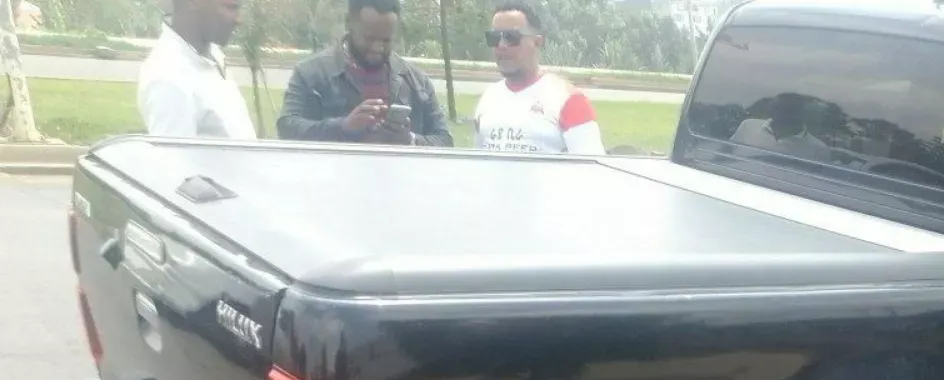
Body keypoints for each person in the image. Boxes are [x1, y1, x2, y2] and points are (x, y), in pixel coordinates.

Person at [277, 0, 452, 147]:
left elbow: (445, 140)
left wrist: (410, 140)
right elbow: (286, 127)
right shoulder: (310, 73)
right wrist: (343, 127)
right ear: (348, 23)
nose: (377, 47)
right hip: (333, 183)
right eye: (369, 38)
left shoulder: (416, 81)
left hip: (398, 184)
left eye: (386, 40)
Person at [473, 0, 604, 155]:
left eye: (511, 37)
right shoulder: (488, 99)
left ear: (537, 41)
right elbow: (478, 163)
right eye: (494, 38)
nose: (501, 45)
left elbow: (592, 172)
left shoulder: (569, 100)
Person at [136, 0, 257, 139]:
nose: (239, 19)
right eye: (230, 7)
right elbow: (174, 158)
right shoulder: (169, 76)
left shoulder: (211, 55)